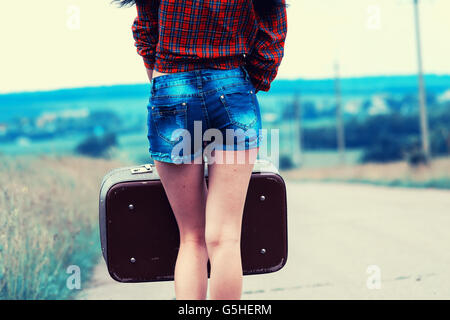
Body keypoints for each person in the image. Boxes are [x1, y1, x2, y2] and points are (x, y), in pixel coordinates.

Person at [116, 0, 288, 300]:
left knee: (191, 238)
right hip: (232, 84)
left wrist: (165, 84)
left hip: (172, 84)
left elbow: (145, 31)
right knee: (225, 239)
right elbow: (273, 31)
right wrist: (246, 83)